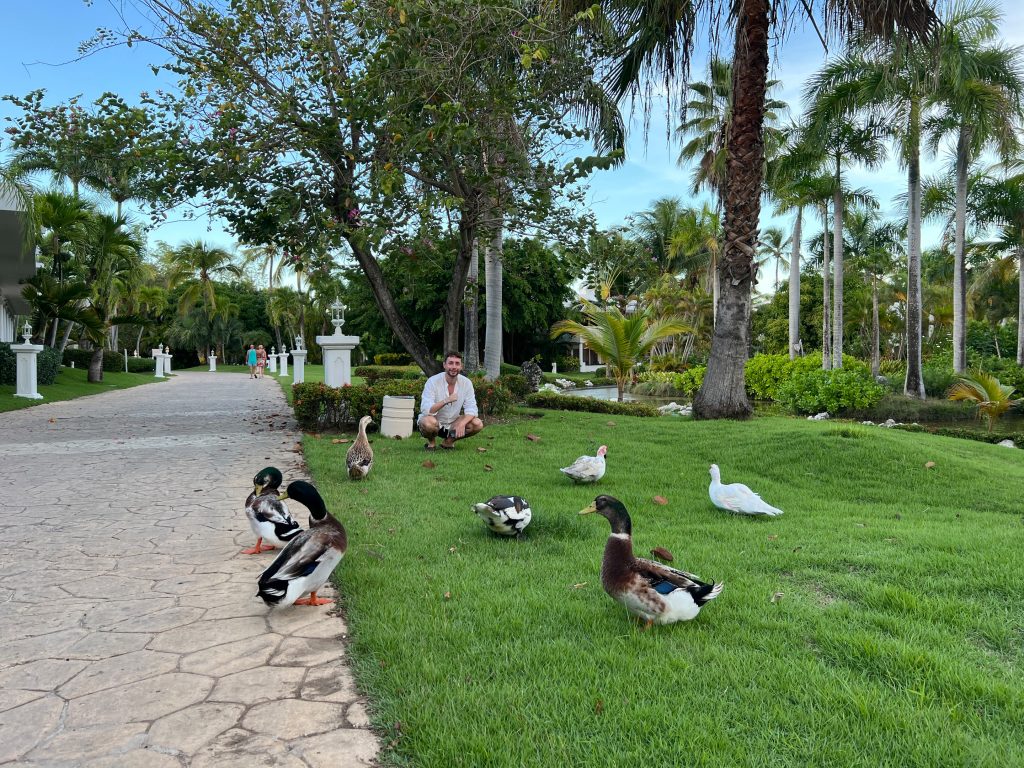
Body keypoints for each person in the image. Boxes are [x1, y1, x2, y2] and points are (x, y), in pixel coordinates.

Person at [418, 351, 484, 450]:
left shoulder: (466, 383)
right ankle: (431, 443)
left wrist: (461, 424)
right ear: (444, 365)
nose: (454, 367)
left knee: (477, 424)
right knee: (428, 423)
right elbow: (427, 410)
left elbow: (472, 409)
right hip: (435, 422)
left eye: (457, 363)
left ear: (461, 366)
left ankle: (448, 442)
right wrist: (446, 400)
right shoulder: (432, 381)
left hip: (454, 423)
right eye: (450, 363)